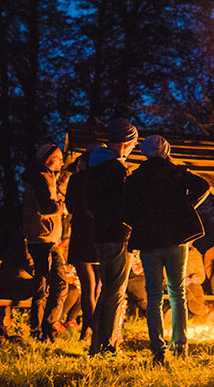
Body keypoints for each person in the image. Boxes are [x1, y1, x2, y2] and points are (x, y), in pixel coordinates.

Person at [123, 135, 211, 364]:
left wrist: (137, 221)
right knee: (177, 292)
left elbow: (126, 208)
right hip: (176, 240)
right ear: (166, 151)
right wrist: (185, 207)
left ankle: (157, 348)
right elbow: (203, 186)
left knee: (153, 296)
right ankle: (180, 345)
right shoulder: (177, 173)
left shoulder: (136, 178)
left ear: (145, 152)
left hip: (148, 242)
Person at [86, 118, 139, 355]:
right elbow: (123, 206)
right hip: (117, 235)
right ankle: (106, 347)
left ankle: (98, 343)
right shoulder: (116, 169)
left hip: (101, 233)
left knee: (108, 290)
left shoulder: (95, 167)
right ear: (127, 142)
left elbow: (92, 204)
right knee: (115, 291)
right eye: (133, 143)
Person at [21, 143, 70, 341]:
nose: (61, 162)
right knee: (59, 283)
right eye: (58, 158)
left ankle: (38, 331)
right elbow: (47, 208)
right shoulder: (40, 180)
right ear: (48, 160)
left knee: (43, 286)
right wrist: (63, 207)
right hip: (44, 239)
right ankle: (48, 327)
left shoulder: (44, 178)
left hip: (44, 238)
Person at [63, 142, 103, 342]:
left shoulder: (76, 180)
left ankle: (89, 329)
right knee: (96, 287)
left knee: (88, 287)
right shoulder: (102, 178)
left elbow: (70, 207)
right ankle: (92, 329)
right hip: (99, 234)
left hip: (80, 234)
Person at [184, 246, 209, 319]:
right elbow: (166, 272)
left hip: (191, 282)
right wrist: (180, 280)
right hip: (175, 283)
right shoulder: (171, 251)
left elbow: (201, 272)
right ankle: (202, 311)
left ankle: (201, 316)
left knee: (197, 289)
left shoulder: (195, 253)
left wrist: (197, 278)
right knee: (187, 293)